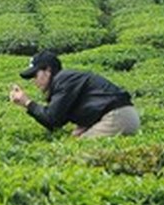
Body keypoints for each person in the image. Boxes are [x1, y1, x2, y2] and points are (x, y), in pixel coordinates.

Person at [8, 50, 139, 139]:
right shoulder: (63, 83)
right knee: (76, 138)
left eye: (35, 75)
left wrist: (27, 102)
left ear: (47, 70)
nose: (34, 81)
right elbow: (56, 123)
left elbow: (52, 118)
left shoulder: (64, 80)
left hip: (117, 116)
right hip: (120, 115)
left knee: (82, 151)